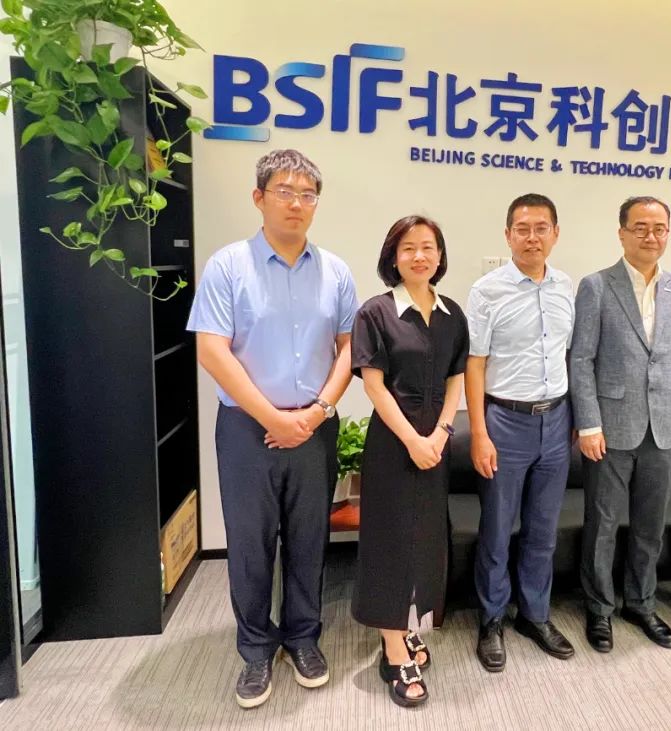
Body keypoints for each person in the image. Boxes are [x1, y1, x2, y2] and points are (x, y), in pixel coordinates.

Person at [187, 149, 357, 708]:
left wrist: (316, 413)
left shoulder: (336, 272)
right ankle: (256, 648)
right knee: (250, 545)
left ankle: (303, 638)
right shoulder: (227, 266)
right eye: (285, 191)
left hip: (314, 428)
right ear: (258, 198)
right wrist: (274, 419)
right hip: (246, 431)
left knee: (309, 540)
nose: (297, 203)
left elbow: (349, 348)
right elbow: (213, 351)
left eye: (308, 194)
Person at [570, 196, 671, 652]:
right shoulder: (596, 286)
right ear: (622, 232)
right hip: (610, 429)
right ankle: (599, 609)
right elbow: (581, 360)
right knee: (603, 525)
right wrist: (589, 423)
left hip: (664, 428)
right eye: (640, 227)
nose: (650, 236)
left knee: (651, 525)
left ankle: (641, 604)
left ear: (668, 233)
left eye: (659, 228)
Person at [350, 215, 468, 708]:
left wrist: (440, 433)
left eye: (428, 247)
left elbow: (456, 378)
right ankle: (394, 645)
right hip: (392, 444)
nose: (419, 256)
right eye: (408, 248)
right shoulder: (375, 313)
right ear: (393, 258)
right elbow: (375, 386)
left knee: (425, 539)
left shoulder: (452, 313)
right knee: (390, 541)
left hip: (435, 443)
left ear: (440, 256)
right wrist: (413, 440)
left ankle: (407, 623)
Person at [467, 194, 576, 672]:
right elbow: (475, 364)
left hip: (556, 421)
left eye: (541, 228)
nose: (533, 237)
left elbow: (570, 354)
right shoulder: (486, 291)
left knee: (542, 530)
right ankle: (491, 619)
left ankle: (535, 615)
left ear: (556, 233)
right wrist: (478, 432)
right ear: (508, 235)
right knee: (497, 529)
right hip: (505, 423)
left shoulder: (566, 287)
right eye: (523, 229)